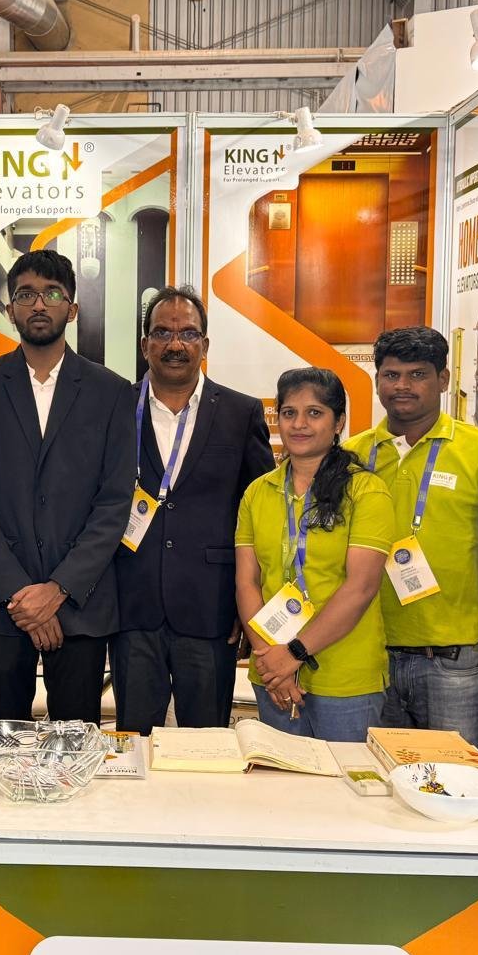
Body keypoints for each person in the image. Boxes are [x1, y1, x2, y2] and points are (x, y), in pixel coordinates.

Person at [0, 248, 133, 723]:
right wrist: (21, 595)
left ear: (72, 309)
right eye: (25, 294)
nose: (38, 304)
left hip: (81, 604)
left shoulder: (111, 392)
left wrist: (58, 589)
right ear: (8, 309)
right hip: (1, 607)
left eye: (52, 294)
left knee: (75, 744)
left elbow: (114, 503)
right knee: (2, 743)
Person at [113, 285, 273, 735]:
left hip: (212, 607)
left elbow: (259, 512)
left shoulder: (240, 412)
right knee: (134, 740)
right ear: (145, 344)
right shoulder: (115, 408)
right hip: (131, 605)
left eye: (187, 333)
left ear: (205, 343)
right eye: (162, 333)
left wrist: (249, 605)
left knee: (208, 745)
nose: (175, 344)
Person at [344, 327, 478, 752]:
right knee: (378, 776)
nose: (403, 386)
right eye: (391, 375)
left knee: (456, 777)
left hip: (453, 658)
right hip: (370, 653)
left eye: (418, 375)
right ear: (377, 380)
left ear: (443, 380)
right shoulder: (353, 456)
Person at [235, 368, 393, 742]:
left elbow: (360, 588)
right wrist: (271, 661)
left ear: (339, 422)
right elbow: (247, 582)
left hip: (345, 677)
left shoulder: (366, 491)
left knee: (345, 779)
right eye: (289, 413)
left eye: (315, 413)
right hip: (272, 672)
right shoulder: (258, 492)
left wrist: (294, 654)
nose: (299, 424)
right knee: (280, 779)